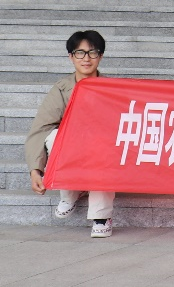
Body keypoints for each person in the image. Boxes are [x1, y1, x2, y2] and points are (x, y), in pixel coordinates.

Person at [26, 30, 116, 238]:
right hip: (72, 146)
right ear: (71, 56)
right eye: (80, 53)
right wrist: (35, 171)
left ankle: (102, 217)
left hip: (100, 151)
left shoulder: (113, 89)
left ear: (101, 56)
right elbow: (41, 128)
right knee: (55, 136)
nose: (86, 58)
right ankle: (69, 191)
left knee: (104, 144)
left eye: (92, 52)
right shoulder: (61, 89)